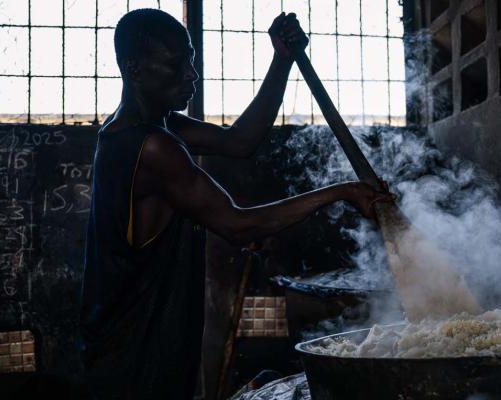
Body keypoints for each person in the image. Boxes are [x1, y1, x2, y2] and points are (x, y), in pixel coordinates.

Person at [79, 8, 392, 400]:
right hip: (136, 351)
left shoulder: (144, 127)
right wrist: (341, 192)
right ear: (134, 69)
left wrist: (281, 59)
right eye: (176, 64)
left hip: (126, 341)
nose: (191, 74)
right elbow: (237, 225)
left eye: (190, 59)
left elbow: (240, 141)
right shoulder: (154, 147)